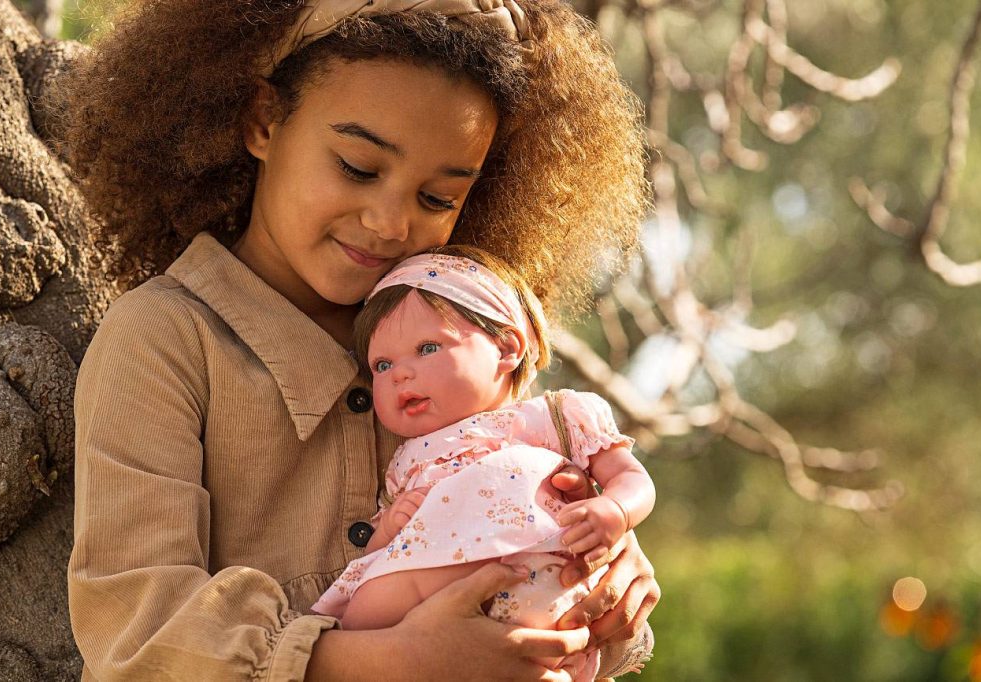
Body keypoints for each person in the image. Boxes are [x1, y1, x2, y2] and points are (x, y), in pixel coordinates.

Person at [62, 0, 658, 679]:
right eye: (358, 166)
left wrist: (610, 579)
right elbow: (138, 625)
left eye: (437, 199)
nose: (390, 223)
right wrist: (398, 660)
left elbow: (544, 537)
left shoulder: (459, 337)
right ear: (263, 121)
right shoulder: (163, 340)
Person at [310, 246, 657, 681]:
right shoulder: (405, 460)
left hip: (536, 569)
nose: (400, 373)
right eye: (382, 364)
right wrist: (389, 528)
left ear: (506, 348)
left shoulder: (553, 416)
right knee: (364, 609)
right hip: (434, 600)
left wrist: (617, 510)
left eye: (427, 347)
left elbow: (630, 476)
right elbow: (381, 553)